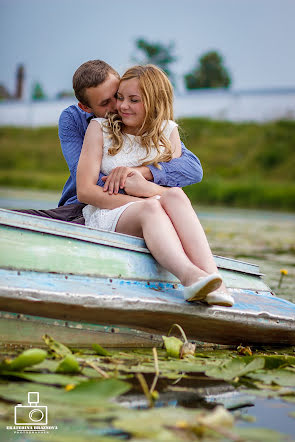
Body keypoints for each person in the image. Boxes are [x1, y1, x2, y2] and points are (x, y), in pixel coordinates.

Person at [76, 65, 234, 307]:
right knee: (153, 208)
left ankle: (216, 282)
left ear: (154, 102)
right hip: (110, 213)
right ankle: (190, 277)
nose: (122, 106)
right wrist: (145, 200)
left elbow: (171, 188)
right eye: (120, 97)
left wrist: (146, 190)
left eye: (133, 100)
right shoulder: (100, 128)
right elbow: (85, 191)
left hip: (152, 208)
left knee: (177, 196)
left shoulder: (168, 132)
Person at [18, 60, 203, 224]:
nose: (118, 106)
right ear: (86, 107)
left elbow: (192, 168)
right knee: (21, 219)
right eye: (105, 103)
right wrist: (147, 195)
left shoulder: (147, 121)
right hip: (82, 206)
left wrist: (139, 174)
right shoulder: (74, 119)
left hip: (144, 207)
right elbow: (90, 183)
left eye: (118, 95)